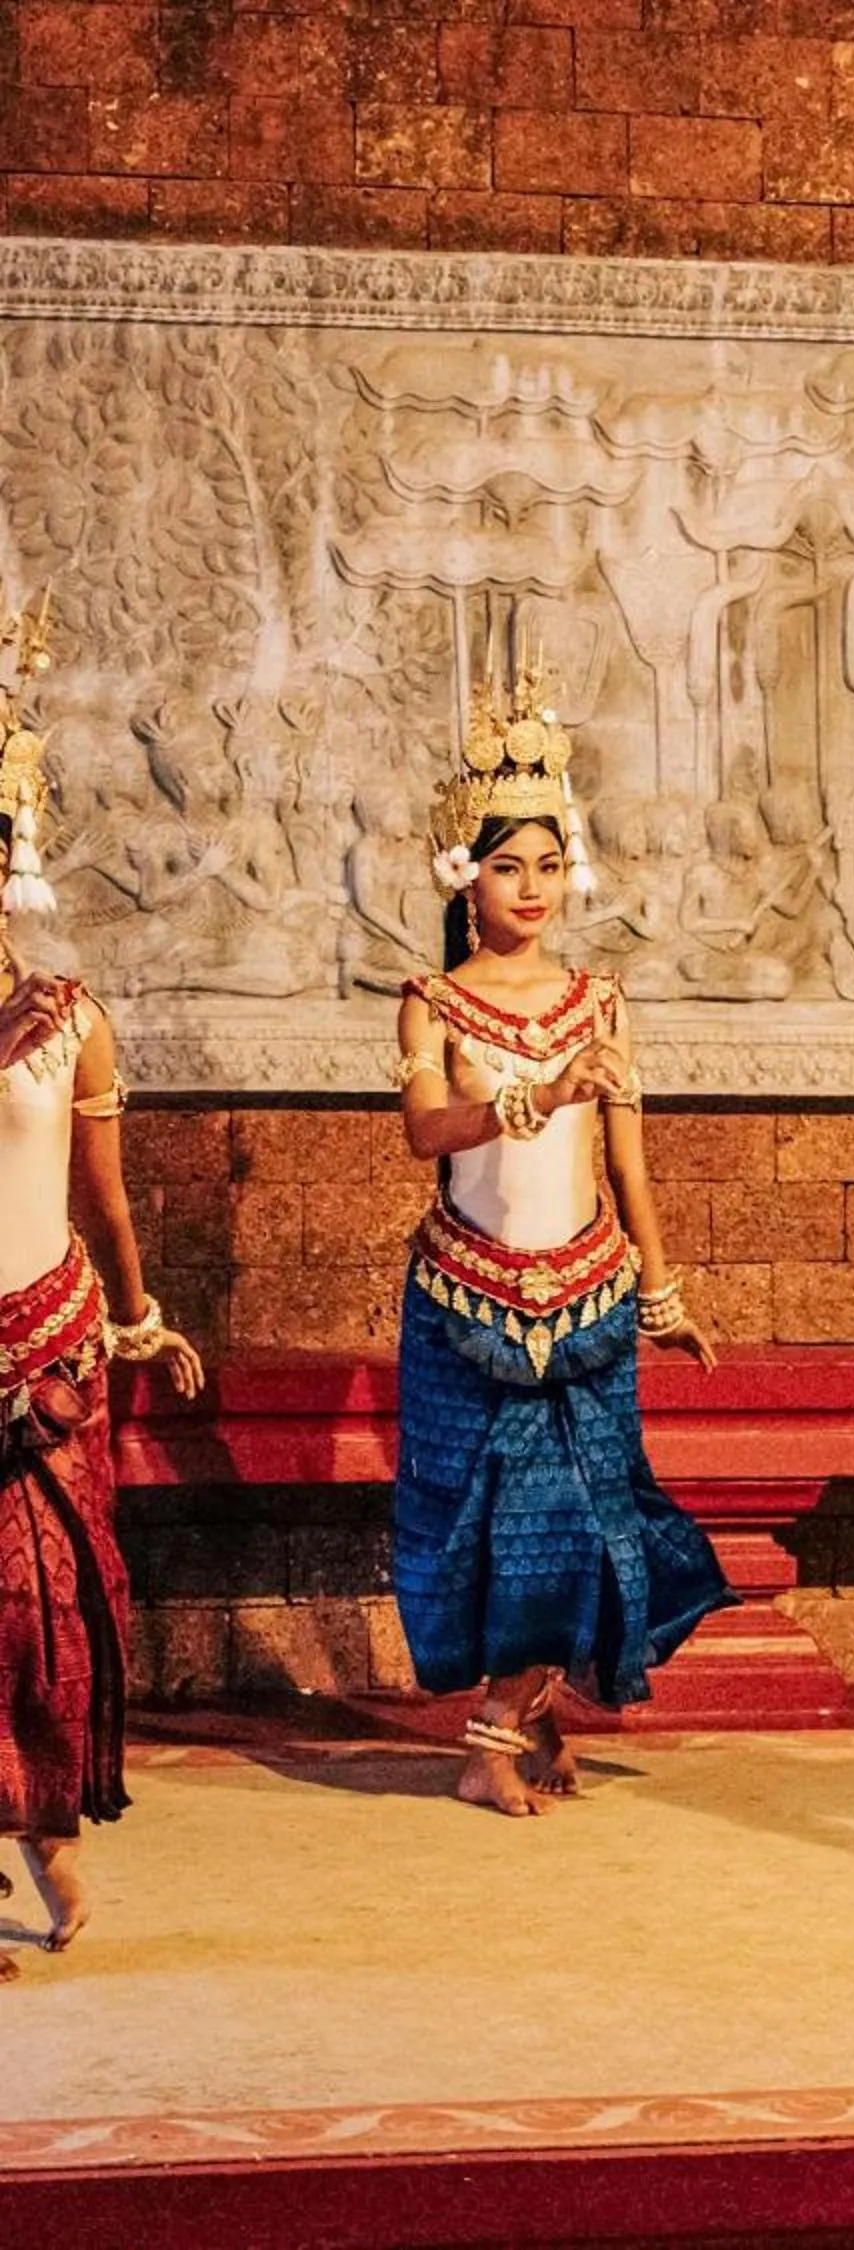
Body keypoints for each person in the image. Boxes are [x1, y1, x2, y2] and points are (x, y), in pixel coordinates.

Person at [391, 664, 726, 1817]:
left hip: (588, 1300)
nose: (529, 888)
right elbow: (425, 1131)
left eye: (545, 865)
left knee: (593, 1525)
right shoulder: (434, 1001)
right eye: (504, 866)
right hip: (466, 1305)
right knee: (491, 1531)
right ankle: (500, 1733)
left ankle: (519, 1723)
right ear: (464, 875)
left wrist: (667, 1295)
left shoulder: (602, 999)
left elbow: (628, 1164)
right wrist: (524, 1101)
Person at [0, 590, 203, 1973]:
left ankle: (43, 1827)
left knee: (49, 1610)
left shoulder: (70, 1016)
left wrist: (139, 1317)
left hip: (56, 1347)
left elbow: (107, 1196)